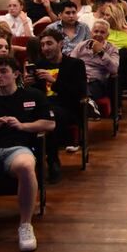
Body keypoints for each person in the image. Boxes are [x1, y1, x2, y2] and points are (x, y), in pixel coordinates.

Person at [0, 55, 55, 252]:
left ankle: (25, 224)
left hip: (17, 148)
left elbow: (49, 124)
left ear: (16, 74)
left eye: (3, 71)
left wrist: (22, 125)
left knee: (25, 166)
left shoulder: (32, 96)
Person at [30, 28, 88, 181]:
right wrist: (28, 84)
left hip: (67, 107)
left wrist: (54, 81)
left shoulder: (75, 65)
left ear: (60, 44)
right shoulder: (38, 65)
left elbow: (79, 93)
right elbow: (35, 95)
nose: (45, 48)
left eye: (49, 43)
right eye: (42, 45)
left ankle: (52, 160)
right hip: (43, 108)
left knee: (52, 116)